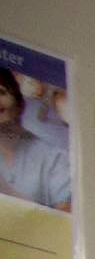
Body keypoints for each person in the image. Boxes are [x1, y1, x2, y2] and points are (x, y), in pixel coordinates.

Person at [0, 69, 74, 213]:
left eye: (1, 92)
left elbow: (67, 220)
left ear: (20, 104)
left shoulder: (55, 158)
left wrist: (6, 189)